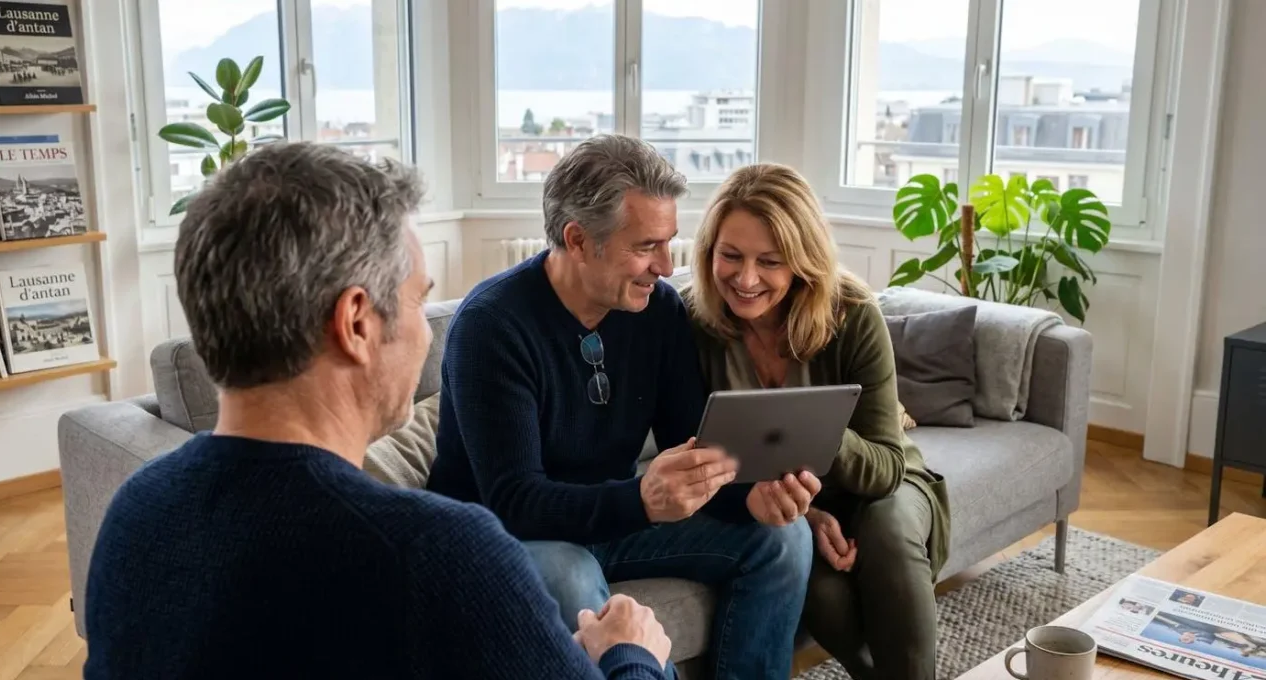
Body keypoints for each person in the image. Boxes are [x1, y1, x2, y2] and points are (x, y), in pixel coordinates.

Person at [82, 142, 673, 680]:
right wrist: (630, 655)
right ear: (356, 324)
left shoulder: (137, 511)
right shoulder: (436, 553)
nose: (427, 332)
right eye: (418, 301)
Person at [426, 135, 816, 679]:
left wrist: (750, 495)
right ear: (578, 240)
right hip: (502, 533)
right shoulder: (491, 326)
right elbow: (513, 500)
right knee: (569, 574)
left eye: (669, 243)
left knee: (784, 538)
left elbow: (691, 441)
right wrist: (642, 500)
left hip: (610, 518)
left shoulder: (658, 310)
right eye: (646, 246)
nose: (666, 266)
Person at [682, 162, 952, 680]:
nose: (745, 278)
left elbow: (886, 467)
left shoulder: (852, 312)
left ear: (802, 261)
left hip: (883, 485)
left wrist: (812, 423)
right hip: (784, 504)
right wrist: (805, 514)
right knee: (818, 588)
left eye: (770, 261)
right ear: (708, 251)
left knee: (888, 533)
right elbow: (700, 459)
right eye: (730, 256)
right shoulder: (693, 323)